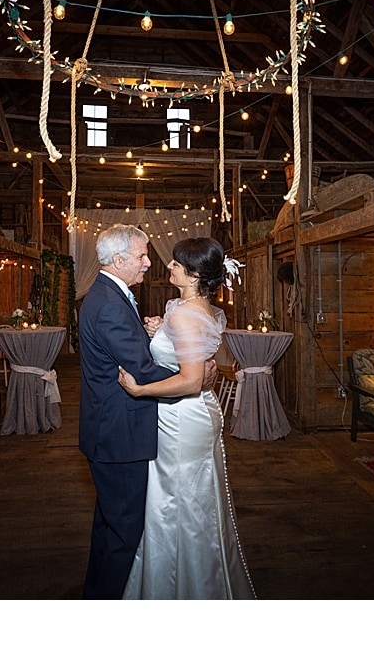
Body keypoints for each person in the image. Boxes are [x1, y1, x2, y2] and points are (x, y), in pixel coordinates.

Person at [77, 223, 215, 599]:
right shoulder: (108, 305)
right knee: (123, 533)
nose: (147, 263)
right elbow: (140, 370)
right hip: (119, 436)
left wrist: (160, 338)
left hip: (112, 431)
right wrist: (193, 378)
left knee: (109, 527)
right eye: (140, 256)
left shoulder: (110, 296)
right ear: (119, 260)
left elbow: (129, 349)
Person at [118, 236, 256, 599]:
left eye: (177, 264)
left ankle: (180, 589)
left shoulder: (183, 314)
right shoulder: (199, 308)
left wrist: (140, 390)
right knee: (193, 498)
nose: (169, 267)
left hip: (181, 417)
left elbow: (192, 378)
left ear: (194, 274)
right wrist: (159, 331)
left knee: (176, 502)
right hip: (197, 412)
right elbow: (190, 352)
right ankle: (199, 581)